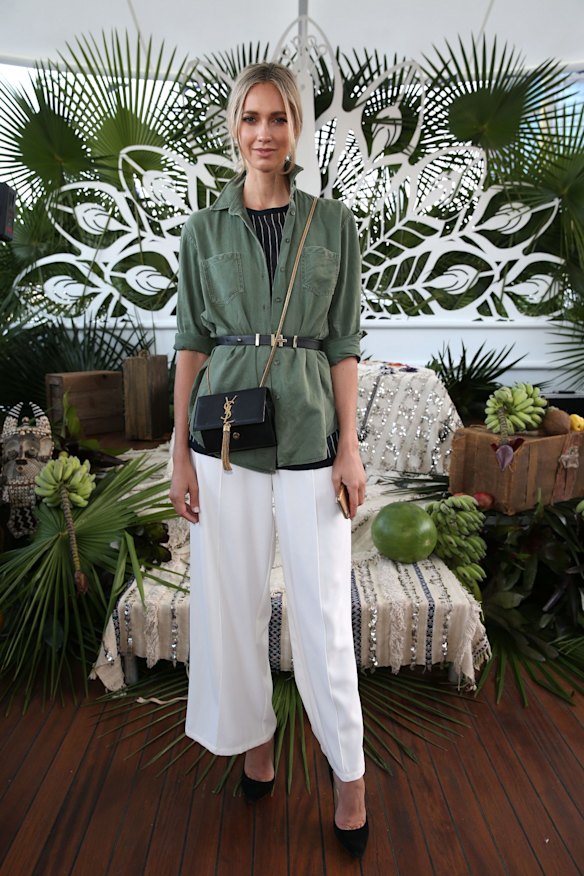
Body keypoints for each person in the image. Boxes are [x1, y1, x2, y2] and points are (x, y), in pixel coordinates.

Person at [169, 61, 368, 858]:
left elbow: (344, 343)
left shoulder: (334, 224)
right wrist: (177, 452)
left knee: (322, 612)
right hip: (223, 437)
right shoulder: (203, 231)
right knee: (232, 601)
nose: (263, 133)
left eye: (278, 118)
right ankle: (255, 744)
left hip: (312, 433)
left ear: (296, 128)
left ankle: (349, 774)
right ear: (234, 127)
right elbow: (190, 342)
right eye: (251, 118)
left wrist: (351, 446)